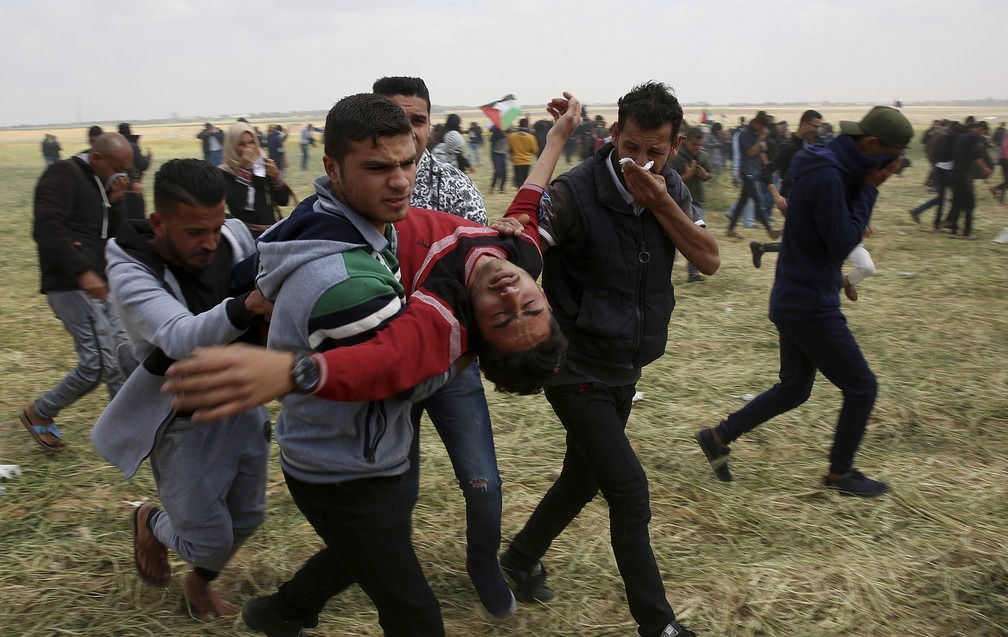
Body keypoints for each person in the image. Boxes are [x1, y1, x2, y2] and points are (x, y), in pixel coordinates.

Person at [500, 81, 718, 637]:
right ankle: (657, 625)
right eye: (632, 147)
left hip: (626, 365)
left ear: (674, 148)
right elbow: (524, 247)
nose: (641, 162)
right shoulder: (577, 191)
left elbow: (708, 259)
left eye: (656, 152)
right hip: (574, 367)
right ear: (613, 133)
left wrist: (661, 201)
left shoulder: (669, 189)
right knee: (628, 488)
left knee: (581, 478)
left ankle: (520, 559)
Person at [695, 105, 913, 498]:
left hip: (796, 294)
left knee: (795, 387)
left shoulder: (826, 162)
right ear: (871, 144)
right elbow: (843, 241)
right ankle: (840, 474)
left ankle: (718, 436)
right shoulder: (832, 175)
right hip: (810, 302)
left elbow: (825, 229)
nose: (894, 166)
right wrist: (869, 191)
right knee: (862, 387)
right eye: (892, 157)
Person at [93, 158, 272, 620]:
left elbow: (266, 254)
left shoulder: (231, 235)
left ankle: (197, 585)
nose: (211, 242)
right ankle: (150, 520)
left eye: (216, 226)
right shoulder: (129, 270)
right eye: (195, 231)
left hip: (241, 400)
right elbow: (178, 335)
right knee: (210, 537)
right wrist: (249, 305)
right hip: (181, 418)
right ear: (158, 222)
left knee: (248, 517)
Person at [20, 133, 133, 453]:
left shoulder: (101, 184)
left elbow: (108, 235)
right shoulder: (62, 175)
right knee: (97, 364)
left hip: (100, 283)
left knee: (120, 356)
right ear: (97, 158)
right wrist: (83, 272)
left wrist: (117, 202)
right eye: (119, 166)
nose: (123, 174)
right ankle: (39, 413)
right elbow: (46, 228)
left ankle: (126, 429)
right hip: (71, 284)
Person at [373, 77, 486, 225]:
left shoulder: (457, 189)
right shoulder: (352, 181)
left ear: (428, 126)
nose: (409, 132)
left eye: (418, 121)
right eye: (394, 120)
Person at [750, 109, 823, 268]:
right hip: (790, 199)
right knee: (805, 239)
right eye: (815, 126)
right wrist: (776, 196)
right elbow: (766, 172)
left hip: (807, 199)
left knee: (801, 239)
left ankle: (761, 248)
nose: (817, 131)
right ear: (804, 123)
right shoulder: (789, 147)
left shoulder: (813, 145)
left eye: (819, 127)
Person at [219, 121, 291, 238]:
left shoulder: (263, 166)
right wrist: (245, 170)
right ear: (232, 146)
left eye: (251, 142)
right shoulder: (225, 173)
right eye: (241, 144)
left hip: (271, 235)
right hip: (244, 236)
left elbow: (284, 200)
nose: (249, 148)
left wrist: (275, 176)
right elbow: (237, 205)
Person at [726, 112, 780, 240]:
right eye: (763, 127)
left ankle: (730, 229)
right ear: (758, 124)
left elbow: (762, 151)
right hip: (745, 172)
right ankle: (769, 230)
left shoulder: (756, 134)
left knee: (742, 202)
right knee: (758, 199)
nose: (763, 130)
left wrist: (768, 167)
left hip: (753, 171)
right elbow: (750, 152)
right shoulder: (745, 134)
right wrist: (760, 139)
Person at [669, 126, 712, 283]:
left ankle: (693, 273)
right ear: (686, 141)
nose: (697, 147)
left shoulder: (703, 156)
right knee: (671, 238)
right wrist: (686, 176)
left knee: (696, 236)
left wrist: (705, 175)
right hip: (676, 202)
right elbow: (668, 180)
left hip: (696, 202)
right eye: (694, 144)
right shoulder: (675, 157)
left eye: (699, 144)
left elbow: (709, 174)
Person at [945, 120, 992, 238]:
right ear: (980, 129)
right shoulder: (974, 137)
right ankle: (967, 232)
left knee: (956, 202)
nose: (982, 135)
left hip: (954, 172)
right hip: (964, 174)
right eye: (983, 132)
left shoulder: (959, 136)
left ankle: (954, 230)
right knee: (970, 204)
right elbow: (974, 155)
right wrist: (985, 168)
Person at [508, 118, 539, 189]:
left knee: (518, 179)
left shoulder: (511, 136)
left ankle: (519, 190)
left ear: (519, 124)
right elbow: (534, 150)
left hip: (516, 162)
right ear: (527, 125)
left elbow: (509, 149)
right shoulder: (531, 137)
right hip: (526, 161)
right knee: (525, 179)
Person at [489, 123, 508, 192]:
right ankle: (492, 187)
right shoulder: (496, 132)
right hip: (495, 154)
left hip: (503, 154)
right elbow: (491, 139)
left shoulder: (507, 131)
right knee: (498, 171)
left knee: (505, 173)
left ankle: (501, 188)